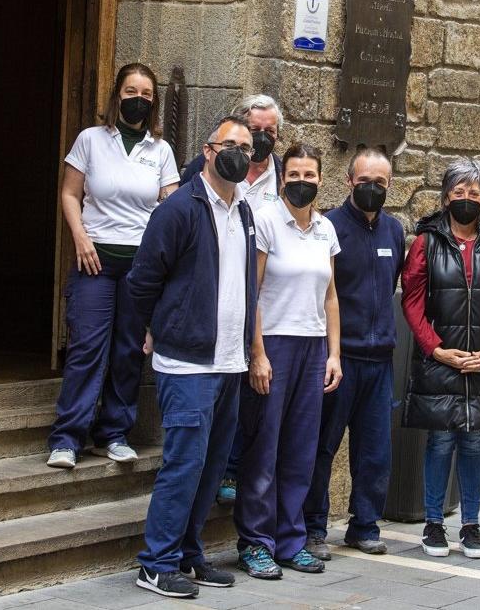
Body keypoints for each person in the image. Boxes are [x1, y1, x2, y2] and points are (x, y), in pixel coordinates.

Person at [127, 115, 258, 599]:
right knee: (184, 463)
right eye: (231, 145)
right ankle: (156, 563)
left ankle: (187, 554)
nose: (240, 154)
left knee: (211, 464)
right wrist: (148, 328)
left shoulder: (243, 210)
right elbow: (143, 280)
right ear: (208, 150)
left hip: (229, 361)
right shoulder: (179, 209)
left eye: (247, 147)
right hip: (187, 363)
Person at [47, 63, 179, 469]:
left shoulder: (160, 150)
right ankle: (68, 438)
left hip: (140, 268)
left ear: (153, 102)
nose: (138, 99)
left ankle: (113, 433)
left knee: (127, 351)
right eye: (130, 91)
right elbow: (70, 194)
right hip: (95, 261)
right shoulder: (91, 139)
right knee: (87, 346)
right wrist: (81, 238)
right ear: (116, 95)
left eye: (146, 94)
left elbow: (169, 207)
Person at [401, 159, 480, 559]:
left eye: (474, 193)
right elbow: (414, 301)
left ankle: (471, 525)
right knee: (439, 441)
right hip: (442, 359)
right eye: (459, 192)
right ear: (446, 196)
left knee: (473, 442)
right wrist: (435, 348)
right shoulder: (426, 243)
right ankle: (433, 524)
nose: (466, 200)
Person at [234, 143, 343, 580]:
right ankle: (256, 543)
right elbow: (251, 291)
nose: (301, 182)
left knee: (300, 449)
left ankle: (290, 540)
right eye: (294, 175)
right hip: (273, 346)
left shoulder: (325, 229)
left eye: (309, 176)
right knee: (264, 447)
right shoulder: (265, 222)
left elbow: (331, 296)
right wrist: (256, 352)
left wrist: (334, 354)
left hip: (313, 346)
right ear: (283, 179)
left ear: (320, 180)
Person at [303, 147, 405, 561]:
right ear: (348, 181)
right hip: (339, 360)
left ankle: (364, 525)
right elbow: (321, 294)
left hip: (380, 361)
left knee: (374, 451)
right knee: (322, 447)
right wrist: (332, 353)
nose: (372, 189)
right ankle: (312, 528)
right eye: (364, 181)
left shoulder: (395, 231)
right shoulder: (328, 227)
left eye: (380, 183)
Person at [182, 93, 284, 505]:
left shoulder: (285, 176)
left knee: (249, 398)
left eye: (268, 132)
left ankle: (232, 470)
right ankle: (213, 472)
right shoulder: (211, 174)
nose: (260, 139)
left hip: (265, 305)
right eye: (253, 131)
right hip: (213, 303)